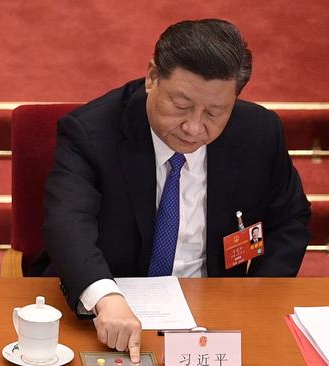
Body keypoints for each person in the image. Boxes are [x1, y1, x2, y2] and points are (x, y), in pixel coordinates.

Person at [30, 18, 311, 363]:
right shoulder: (91, 134)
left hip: (215, 313)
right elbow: (66, 223)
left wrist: (256, 296)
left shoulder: (260, 133)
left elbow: (290, 219)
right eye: (181, 106)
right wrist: (105, 296)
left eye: (214, 112)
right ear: (152, 77)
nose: (194, 127)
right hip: (113, 309)